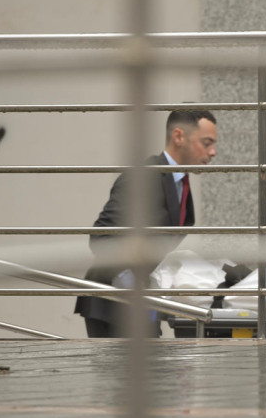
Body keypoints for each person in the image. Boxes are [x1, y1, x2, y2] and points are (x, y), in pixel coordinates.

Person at [74, 110, 218, 338]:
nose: (213, 152)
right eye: (207, 143)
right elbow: (101, 238)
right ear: (179, 137)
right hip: (112, 305)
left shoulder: (180, 182)